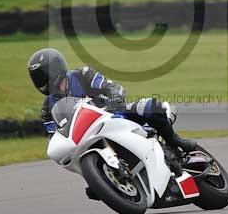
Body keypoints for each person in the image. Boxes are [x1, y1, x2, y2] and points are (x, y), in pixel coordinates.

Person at [27, 47, 197, 154]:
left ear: (56, 68)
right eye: (37, 78)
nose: (41, 81)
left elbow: (112, 87)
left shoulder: (82, 75)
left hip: (113, 115)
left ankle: (174, 141)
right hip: (88, 137)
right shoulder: (47, 110)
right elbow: (55, 137)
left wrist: (115, 98)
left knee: (150, 106)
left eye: (43, 75)